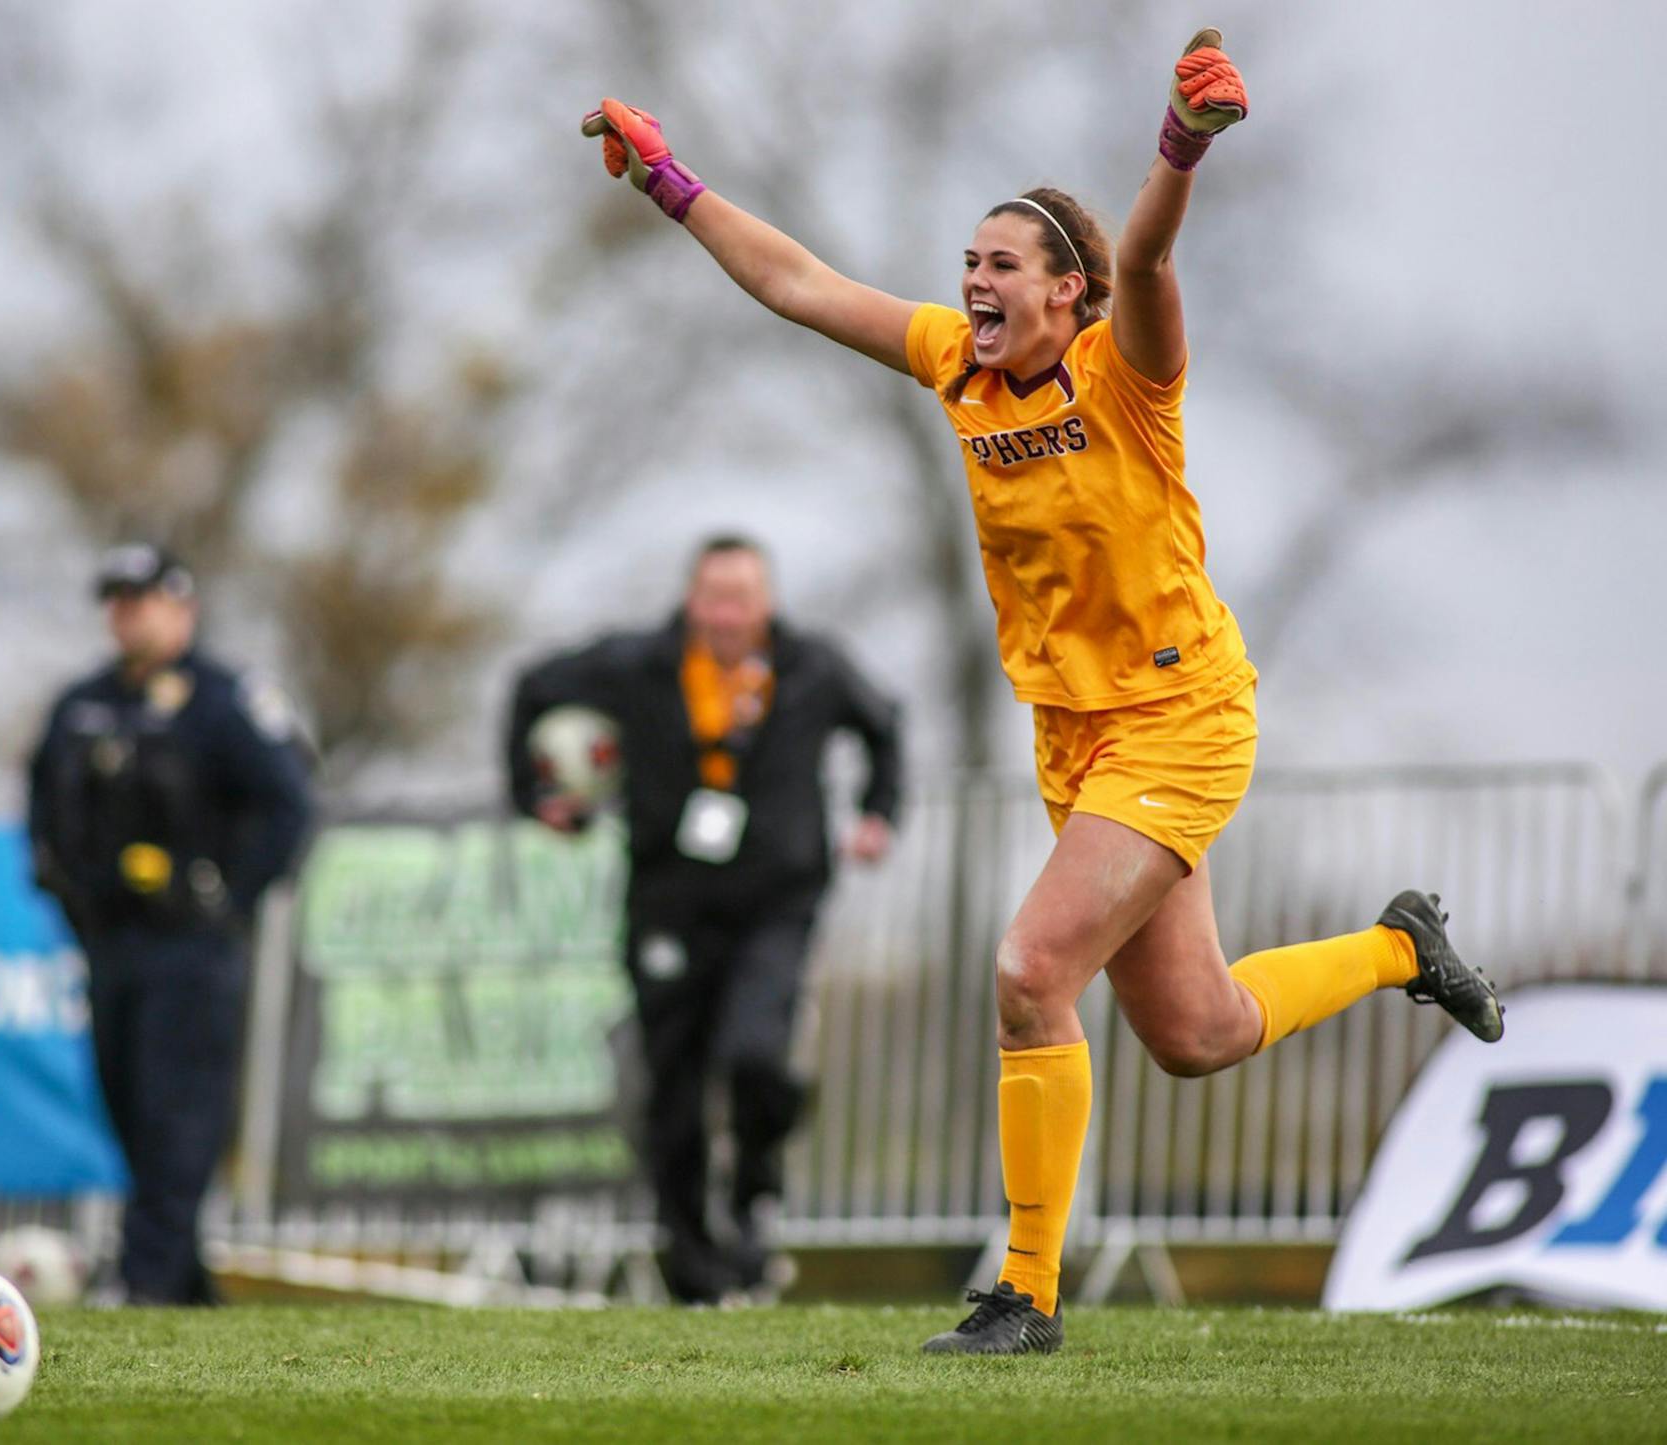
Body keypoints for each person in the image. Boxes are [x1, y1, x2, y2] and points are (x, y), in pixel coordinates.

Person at [579, 29, 1504, 1352]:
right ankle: (1401, 947)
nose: (973, 281)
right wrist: (670, 179)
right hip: (1075, 739)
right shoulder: (956, 363)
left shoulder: (1125, 377)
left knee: (1027, 969)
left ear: (1069, 292)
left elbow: (1154, 260)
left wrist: (1180, 147)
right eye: (968, 265)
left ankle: (1025, 1290)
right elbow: (790, 282)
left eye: (1000, 265)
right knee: (1198, 1030)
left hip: (1182, 723)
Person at [506, 535, 903, 1304]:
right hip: (669, 900)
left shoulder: (814, 665)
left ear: (768, 601)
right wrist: (535, 795)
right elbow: (531, 686)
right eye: (714, 596)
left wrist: (877, 812)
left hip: (777, 899)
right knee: (674, 1087)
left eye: (742, 597)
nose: (727, 613)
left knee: (756, 1054)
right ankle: (691, 1263)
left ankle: (757, 1191)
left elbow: (885, 725)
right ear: (693, 599)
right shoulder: (636, 663)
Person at [27, 542, 314, 1305]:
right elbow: (43, 813)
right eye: (116, 599)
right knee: (126, 1109)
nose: (127, 614)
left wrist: (233, 899)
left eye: (142, 598)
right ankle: (186, 1290)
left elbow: (290, 805)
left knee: (176, 1118)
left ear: (181, 606)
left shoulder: (226, 700)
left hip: (192, 945)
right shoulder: (81, 704)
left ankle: (147, 1280)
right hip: (111, 941)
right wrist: (69, 893)